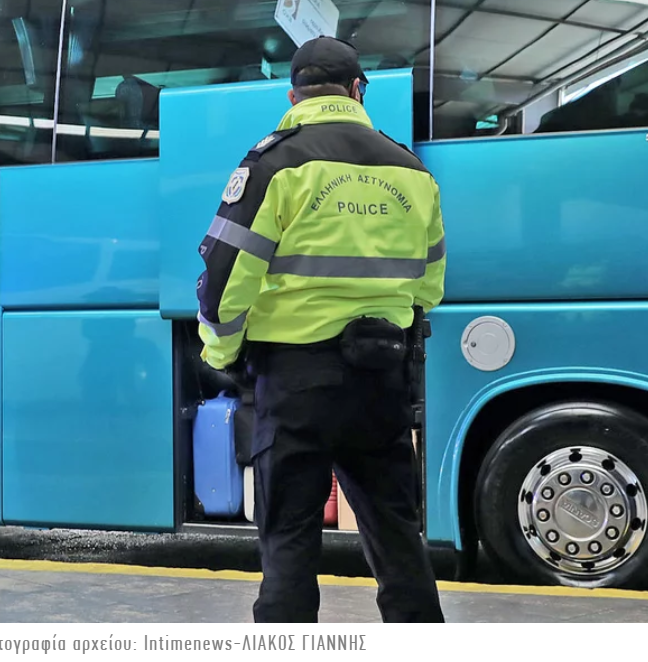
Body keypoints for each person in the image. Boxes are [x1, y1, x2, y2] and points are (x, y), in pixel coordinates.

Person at [194, 35, 447, 624]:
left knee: (289, 539)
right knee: (397, 536)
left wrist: (221, 352)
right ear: (358, 91)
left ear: (293, 96)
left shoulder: (274, 164)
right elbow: (429, 286)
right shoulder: (412, 171)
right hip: (382, 377)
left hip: (296, 380)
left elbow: (225, 278)